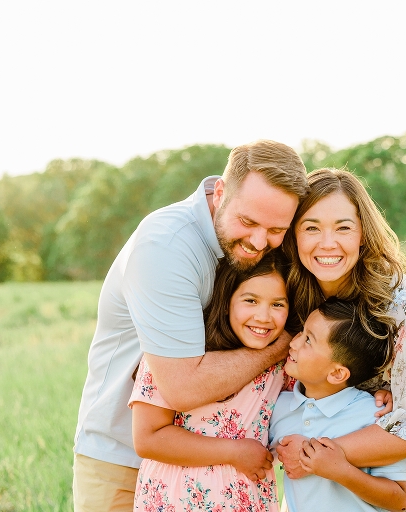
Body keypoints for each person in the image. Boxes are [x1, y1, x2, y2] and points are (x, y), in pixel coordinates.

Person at [72, 140, 308, 512]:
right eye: (248, 221)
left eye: (276, 228)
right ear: (220, 193)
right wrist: (282, 346)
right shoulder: (168, 246)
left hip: (223, 480)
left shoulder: (251, 249)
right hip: (123, 458)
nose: (260, 241)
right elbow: (181, 386)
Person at [280, 167, 406, 511]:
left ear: (362, 235)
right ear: (293, 235)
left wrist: (312, 453)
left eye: (343, 227)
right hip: (312, 486)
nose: (328, 243)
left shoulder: (393, 298)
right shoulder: (288, 290)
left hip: (386, 473)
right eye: (311, 228)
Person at [129, 251, 292, 512]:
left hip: (248, 500)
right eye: (250, 300)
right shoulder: (176, 351)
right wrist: (233, 452)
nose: (264, 316)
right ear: (227, 300)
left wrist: (381, 392)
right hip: (175, 500)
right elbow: (148, 439)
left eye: (278, 304)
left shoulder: (284, 363)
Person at [269, 297, 406, 512]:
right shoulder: (279, 407)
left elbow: (399, 500)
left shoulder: (373, 414)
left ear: (336, 373)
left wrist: (340, 470)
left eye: (308, 340)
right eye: (302, 331)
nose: (294, 342)